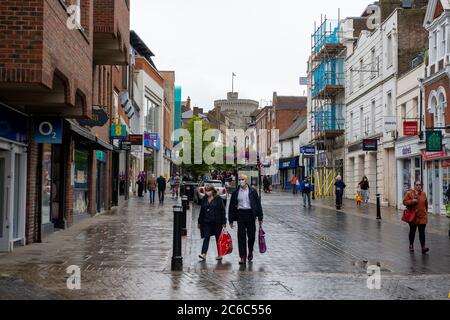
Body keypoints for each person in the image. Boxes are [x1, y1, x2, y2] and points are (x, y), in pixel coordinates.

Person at [228, 174, 264, 265]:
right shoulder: (236, 192)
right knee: (241, 236)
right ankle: (242, 257)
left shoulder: (253, 191)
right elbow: (231, 206)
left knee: (251, 236)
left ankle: (250, 251)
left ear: (246, 180)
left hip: (250, 214)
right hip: (240, 214)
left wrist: (260, 217)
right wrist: (231, 220)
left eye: (242, 179)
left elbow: (258, 204)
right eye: (240, 179)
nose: (241, 181)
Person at [198, 184, 227, 261]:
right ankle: (204, 254)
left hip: (217, 222)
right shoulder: (204, 198)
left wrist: (224, 221)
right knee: (206, 237)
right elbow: (202, 211)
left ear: (212, 190)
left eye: (209, 190)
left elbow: (222, 210)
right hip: (207, 222)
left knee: (218, 238)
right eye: (206, 190)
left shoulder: (218, 198)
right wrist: (199, 222)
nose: (207, 192)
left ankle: (220, 254)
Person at [403, 181, 429, 254]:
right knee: (412, 232)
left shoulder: (423, 194)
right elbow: (404, 202)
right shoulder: (409, 193)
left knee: (422, 232)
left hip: (422, 216)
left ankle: (423, 247)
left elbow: (426, 204)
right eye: (417, 185)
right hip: (413, 216)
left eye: (420, 185)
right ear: (414, 186)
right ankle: (411, 245)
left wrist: (425, 212)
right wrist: (412, 201)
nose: (418, 186)